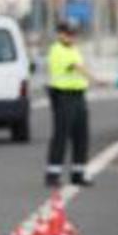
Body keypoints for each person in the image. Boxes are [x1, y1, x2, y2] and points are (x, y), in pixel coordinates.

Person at [45, 21, 100, 188]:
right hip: (63, 96)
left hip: (78, 95)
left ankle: (78, 173)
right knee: (61, 135)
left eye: (74, 34)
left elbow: (80, 66)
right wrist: (95, 79)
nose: (72, 37)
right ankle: (53, 174)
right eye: (68, 33)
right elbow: (76, 67)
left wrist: (89, 79)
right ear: (60, 34)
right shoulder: (57, 50)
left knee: (81, 135)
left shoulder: (74, 49)